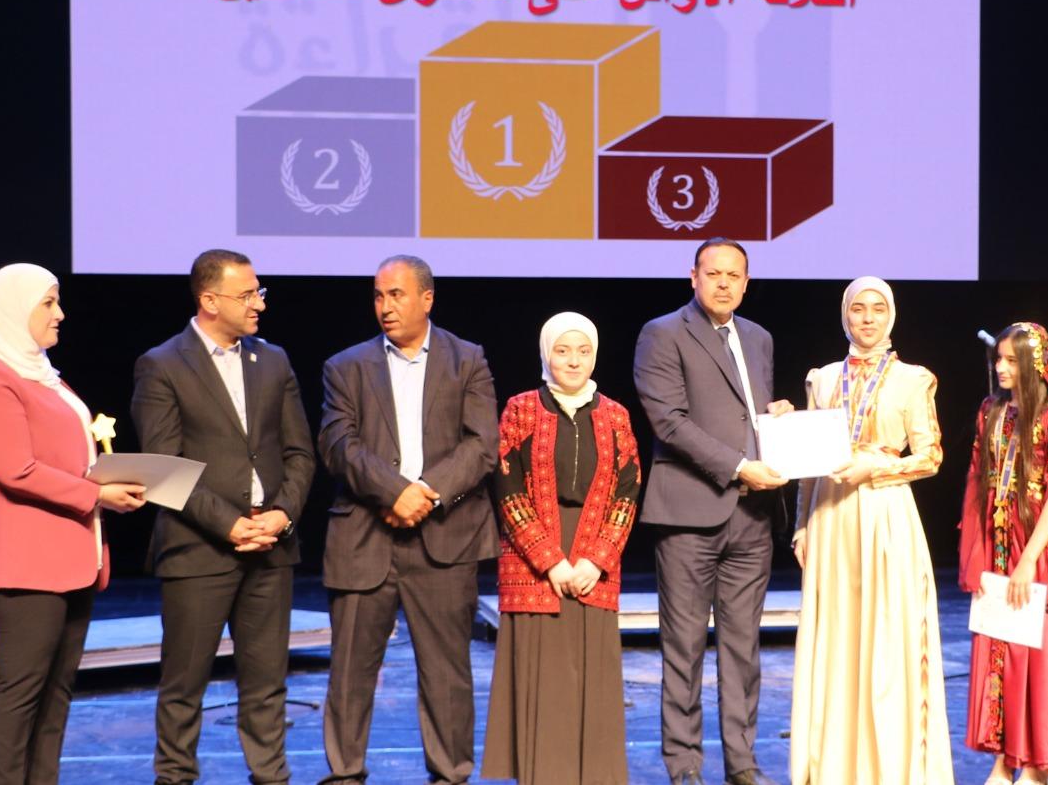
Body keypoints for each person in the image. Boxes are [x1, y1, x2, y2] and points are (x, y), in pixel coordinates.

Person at [132, 249, 315, 785]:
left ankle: (271, 776)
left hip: (271, 546)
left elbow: (300, 454)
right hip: (199, 550)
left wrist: (281, 514)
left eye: (260, 292)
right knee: (184, 683)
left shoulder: (273, 360)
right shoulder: (163, 364)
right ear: (210, 301)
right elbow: (163, 467)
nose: (259, 304)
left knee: (267, 682)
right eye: (248, 294)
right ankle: (175, 776)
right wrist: (230, 525)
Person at [316, 255, 498, 785]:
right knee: (350, 670)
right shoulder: (345, 366)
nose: (385, 306)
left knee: (446, 671)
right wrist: (396, 494)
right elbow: (338, 444)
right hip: (365, 536)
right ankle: (345, 773)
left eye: (396, 294)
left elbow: (482, 444)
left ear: (427, 298)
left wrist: (428, 495)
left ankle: (450, 774)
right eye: (378, 295)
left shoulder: (467, 360)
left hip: (446, 538)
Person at [0, 263, 146, 784]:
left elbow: (62, 459)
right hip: (27, 564)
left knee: (55, 694)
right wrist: (97, 493)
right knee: (20, 692)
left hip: (74, 560)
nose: (60, 313)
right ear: (14, 310)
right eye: (48, 303)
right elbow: (15, 469)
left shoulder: (47, 377)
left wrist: (109, 480)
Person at [633, 237, 794, 785]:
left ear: (746, 283)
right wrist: (739, 466)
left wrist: (776, 419)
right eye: (713, 273)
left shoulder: (759, 337)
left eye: (734, 275)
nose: (723, 283)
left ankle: (742, 763)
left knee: (743, 649)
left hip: (752, 518)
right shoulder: (663, 333)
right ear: (693, 277)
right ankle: (684, 766)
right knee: (683, 648)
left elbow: (746, 416)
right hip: (688, 514)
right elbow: (670, 422)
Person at [790, 276, 952, 784]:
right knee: (836, 637)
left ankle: (888, 766)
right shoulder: (822, 379)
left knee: (885, 635)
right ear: (845, 315)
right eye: (858, 308)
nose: (867, 318)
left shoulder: (912, 379)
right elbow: (809, 462)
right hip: (831, 517)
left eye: (877, 309)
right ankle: (834, 766)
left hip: (884, 514)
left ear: (891, 316)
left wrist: (876, 469)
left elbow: (931, 456)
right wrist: (801, 525)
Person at [482, 312, 642, 785]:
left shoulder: (615, 415)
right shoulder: (520, 409)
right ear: (546, 354)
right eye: (563, 350)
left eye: (583, 351)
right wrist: (550, 561)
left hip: (593, 561)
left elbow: (627, 490)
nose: (573, 361)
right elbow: (507, 487)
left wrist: (596, 559)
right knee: (545, 682)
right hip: (535, 564)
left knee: (592, 679)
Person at [960, 322, 1048, 784]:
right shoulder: (991, 412)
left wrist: (1026, 562)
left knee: (1037, 655)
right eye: (998, 359)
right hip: (999, 546)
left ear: (1034, 364)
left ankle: (1039, 765)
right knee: (1002, 650)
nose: (1001, 368)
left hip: (1037, 551)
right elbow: (978, 481)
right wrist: (980, 554)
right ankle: (1006, 758)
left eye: (1011, 360)